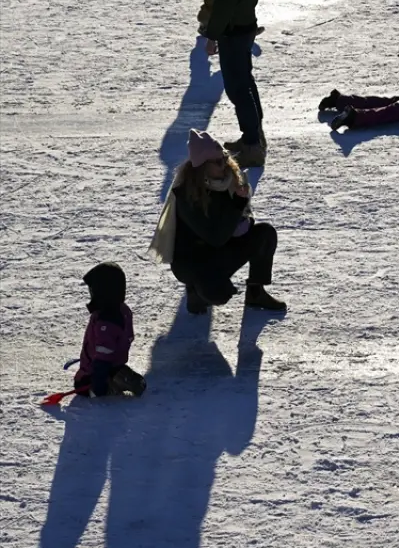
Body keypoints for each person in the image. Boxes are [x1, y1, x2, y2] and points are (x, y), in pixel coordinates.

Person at [151, 130, 286, 314]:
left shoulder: (230, 180)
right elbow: (216, 236)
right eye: (217, 162)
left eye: (224, 157)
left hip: (218, 248)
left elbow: (240, 217)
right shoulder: (187, 194)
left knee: (265, 234)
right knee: (219, 292)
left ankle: (256, 292)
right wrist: (237, 204)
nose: (224, 164)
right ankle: (195, 290)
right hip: (192, 259)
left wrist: (245, 219)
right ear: (201, 166)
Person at [204, 0, 269, 167]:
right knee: (246, 84)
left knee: (238, 88)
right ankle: (254, 137)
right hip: (246, 28)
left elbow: (224, 3)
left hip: (233, 32)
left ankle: (253, 146)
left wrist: (212, 36)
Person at [74, 263, 144, 398]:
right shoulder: (122, 309)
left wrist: (98, 383)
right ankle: (120, 375)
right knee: (113, 368)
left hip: (96, 368)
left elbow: (103, 353)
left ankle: (108, 386)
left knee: (80, 386)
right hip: (116, 361)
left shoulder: (105, 320)